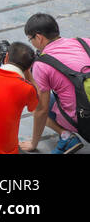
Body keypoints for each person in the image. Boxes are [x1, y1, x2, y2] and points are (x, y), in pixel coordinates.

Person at [22, 12, 90, 153]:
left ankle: (65, 134)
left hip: (86, 124)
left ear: (39, 37)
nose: (32, 44)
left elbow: (41, 110)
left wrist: (33, 144)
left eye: (30, 39)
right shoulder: (84, 42)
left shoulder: (42, 64)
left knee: (36, 101)